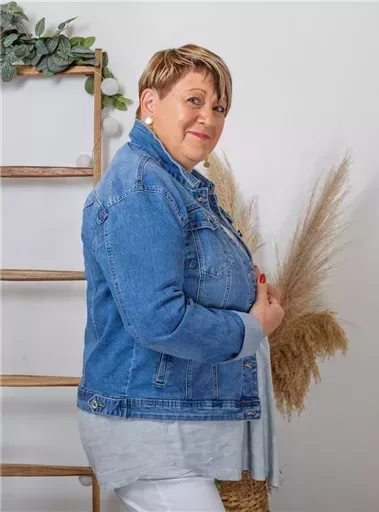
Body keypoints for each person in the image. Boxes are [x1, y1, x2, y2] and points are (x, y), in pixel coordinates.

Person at [77, 44, 285, 512]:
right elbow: (159, 320)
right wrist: (254, 327)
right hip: (150, 425)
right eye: (194, 100)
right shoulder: (143, 186)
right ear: (150, 103)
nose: (208, 118)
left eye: (219, 108)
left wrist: (253, 291)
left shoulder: (177, 184)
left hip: (170, 420)